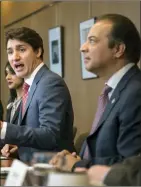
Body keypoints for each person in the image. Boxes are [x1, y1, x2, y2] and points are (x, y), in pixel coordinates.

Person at [50, 13, 141, 171]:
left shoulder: (135, 92)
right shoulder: (114, 91)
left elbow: (131, 167)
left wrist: (78, 165)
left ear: (118, 49)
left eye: (92, 40)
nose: (82, 48)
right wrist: (75, 160)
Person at [0, 27, 75, 163]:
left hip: (53, 173)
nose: (14, 57)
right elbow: (35, 133)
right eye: (10, 52)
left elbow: (50, 135)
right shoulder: (29, 85)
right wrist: (19, 147)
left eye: (21, 50)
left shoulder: (50, 83)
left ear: (38, 51)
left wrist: (4, 128)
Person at [0, 62, 24, 158]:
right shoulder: (11, 101)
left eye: (12, 73)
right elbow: (7, 136)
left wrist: (17, 147)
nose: (7, 77)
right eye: (6, 73)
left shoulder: (28, 102)